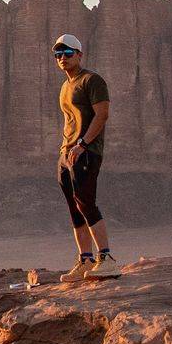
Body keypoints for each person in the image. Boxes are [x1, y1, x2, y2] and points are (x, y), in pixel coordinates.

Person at [52, 33, 111, 280]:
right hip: (66, 153)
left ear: (79, 55)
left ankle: (106, 258)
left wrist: (83, 144)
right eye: (58, 55)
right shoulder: (66, 86)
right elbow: (69, 120)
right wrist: (65, 150)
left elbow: (102, 115)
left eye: (67, 54)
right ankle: (85, 260)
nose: (62, 59)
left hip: (86, 152)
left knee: (86, 202)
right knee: (74, 207)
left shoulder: (92, 80)